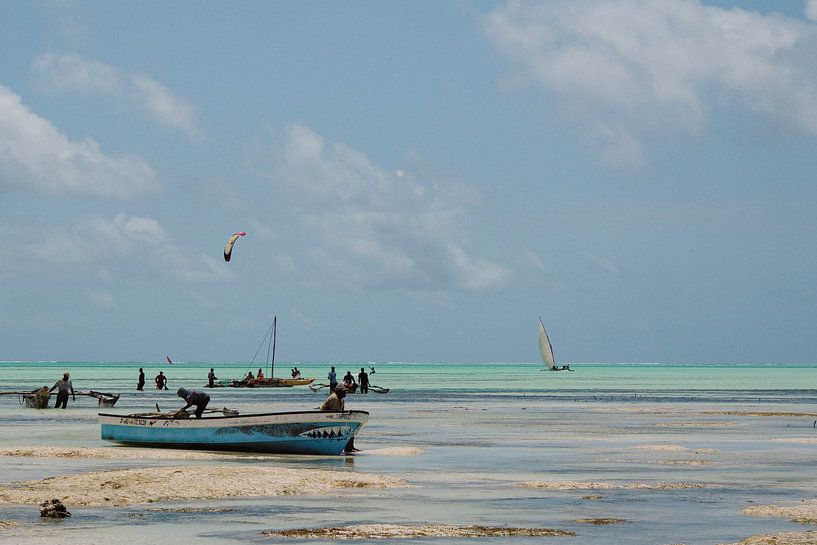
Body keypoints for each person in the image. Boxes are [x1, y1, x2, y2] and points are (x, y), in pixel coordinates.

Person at [319, 385, 359, 452]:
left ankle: (350, 447)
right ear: (338, 392)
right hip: (325, 419)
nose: (345, 393)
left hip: (331, 419)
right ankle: (348, 448)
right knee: (348, 428)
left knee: (351, 428)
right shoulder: (334, 398)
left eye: (345, 392)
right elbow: (335, 413)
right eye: (343, 392)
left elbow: (341, 413)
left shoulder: (341, 400)